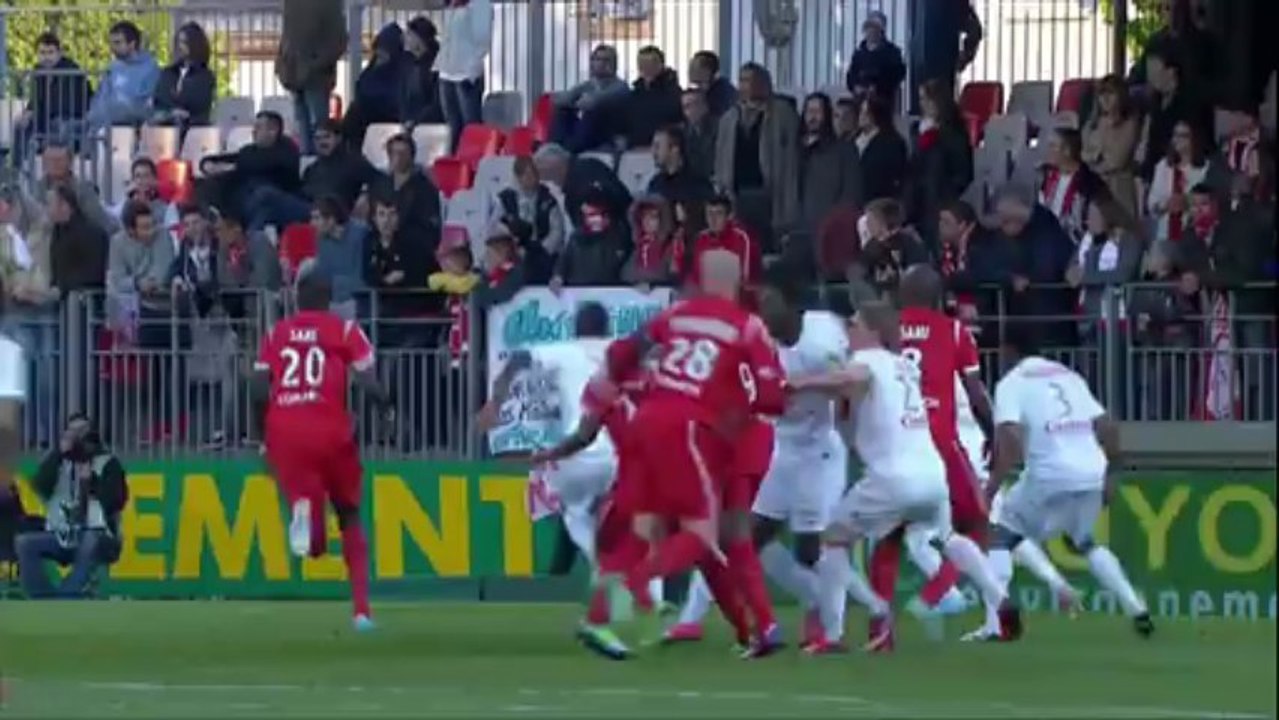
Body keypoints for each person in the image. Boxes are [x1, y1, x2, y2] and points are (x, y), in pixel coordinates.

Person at [793, 301, 1019, 652]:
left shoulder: (868, 361)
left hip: (891, 478)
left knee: (833, 540)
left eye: (854, 324)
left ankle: (842, 630)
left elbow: (852, 379)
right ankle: (997, 594)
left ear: (872, 331)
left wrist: (799, 382)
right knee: (949, 537)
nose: (848, 331)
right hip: (931, 472)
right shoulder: (904, 366)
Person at [597, 249, 787, 657]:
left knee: (706, 533)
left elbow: (623, 355)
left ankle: (628, 593)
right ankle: (756, 628)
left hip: (712, 434)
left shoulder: (681, 319)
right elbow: (773, 394)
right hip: (733, 436)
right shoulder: (748, 327)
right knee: (715, 534)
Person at [669, 267, 850, 651]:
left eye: (769, 300)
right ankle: (690, 620)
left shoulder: (821, 336)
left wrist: (804, 385)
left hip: (818, 452)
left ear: (791, 304)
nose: (761, 308)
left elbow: (849, 381)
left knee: (810, 549)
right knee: (743, 537)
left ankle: (859, 611)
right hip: (780, 448)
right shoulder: (755, 337)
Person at [979, 325, 1154, 640]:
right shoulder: (1069, 376)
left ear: (1007, 351)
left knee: (1001, 533)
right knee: (1084, 540)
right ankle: (1135, 608)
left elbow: (1011, 438)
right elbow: (1108, 426)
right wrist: (1113, 472)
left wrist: (992, 486)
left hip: (1049, 473)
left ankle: (999, 623)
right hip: (1092, 471)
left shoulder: (1011, 383)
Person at [861, 264, 999, 641]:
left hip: (897, 440)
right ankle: (937, 593)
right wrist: (994, 434)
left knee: (889, 537)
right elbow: (975, 393)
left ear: (902, 296)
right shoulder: (954, 331)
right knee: (975, 524)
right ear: (939, 297)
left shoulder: (886, 331)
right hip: (940, 443)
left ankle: (880, 631)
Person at [252, 267, 389, 630]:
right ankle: (361, 612)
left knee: (313, 544)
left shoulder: (276, 333)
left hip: (285, 428)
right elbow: (368, 380)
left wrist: (263, 439)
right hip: (330, 429)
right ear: (330, 300)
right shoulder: (343, 330)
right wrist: (387, 411)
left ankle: (306, 514)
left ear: (296, 297)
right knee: (349, 514)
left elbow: (256, 387)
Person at [15, 415, 127, 599]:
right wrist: (58, 454)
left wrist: (90, 482)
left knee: (90, 539)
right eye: (72, 432)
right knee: (25, 543)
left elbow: (116, 500)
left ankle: (68, 596)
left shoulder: (107, 463)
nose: (78, 438)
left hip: (99, 535)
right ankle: (41, 598)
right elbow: (40, 486)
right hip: (62, 535)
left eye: (82, 432)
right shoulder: (58, 462)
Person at [86, 21, 160, 130]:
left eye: (118, 43)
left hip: (131, 126)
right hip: (102, 124)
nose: (112, 47)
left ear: (132, 44)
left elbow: (147, 105)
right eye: (111, 43)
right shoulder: (113, 67)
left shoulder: (150, 68)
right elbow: (100, 96)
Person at [151, 22, 216, 131]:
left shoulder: (205, 76)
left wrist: (180, 108)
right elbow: (160, 99)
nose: (180, 47)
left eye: (184, 42)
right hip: (166, 129)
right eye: (178, 42)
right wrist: (171, 113)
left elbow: (199, 104)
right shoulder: (168, 73)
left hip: (194, 130)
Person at [844, 10, 907, 104]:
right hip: (860, 100)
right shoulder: (859, 53)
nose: (871, 31)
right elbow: (851, 75)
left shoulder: (892, 53)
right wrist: (855, 87)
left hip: (883, 101)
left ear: (882, 31)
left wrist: (878, 87)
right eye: (869, 27)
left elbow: (897, 74)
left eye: (875, 28)